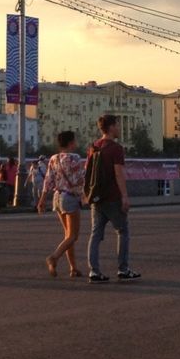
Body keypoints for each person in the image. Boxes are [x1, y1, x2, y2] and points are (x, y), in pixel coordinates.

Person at [83, 114, 139, 283]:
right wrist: (125, 196)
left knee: (95, 234)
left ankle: (94, 271)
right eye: (118, 125)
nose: (120, 128)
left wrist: (87, 194)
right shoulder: (115, 148)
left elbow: (88, 171)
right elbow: (118, 173)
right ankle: (123, 269)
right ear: (111, 127)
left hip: (97, 197)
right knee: (122, 231)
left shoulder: (94, 146)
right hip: (113, 197)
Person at [39, 130, 86, 277]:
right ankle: (53, 257)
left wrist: (41, 200)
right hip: (70, 198)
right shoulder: (75, 158)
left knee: (68, 235)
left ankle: (73, 268)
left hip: (57, 197)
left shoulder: (54, 158)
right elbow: (81, 178)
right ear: (71, 143)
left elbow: (48, 181)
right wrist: (85, 194)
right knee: (73, 236)